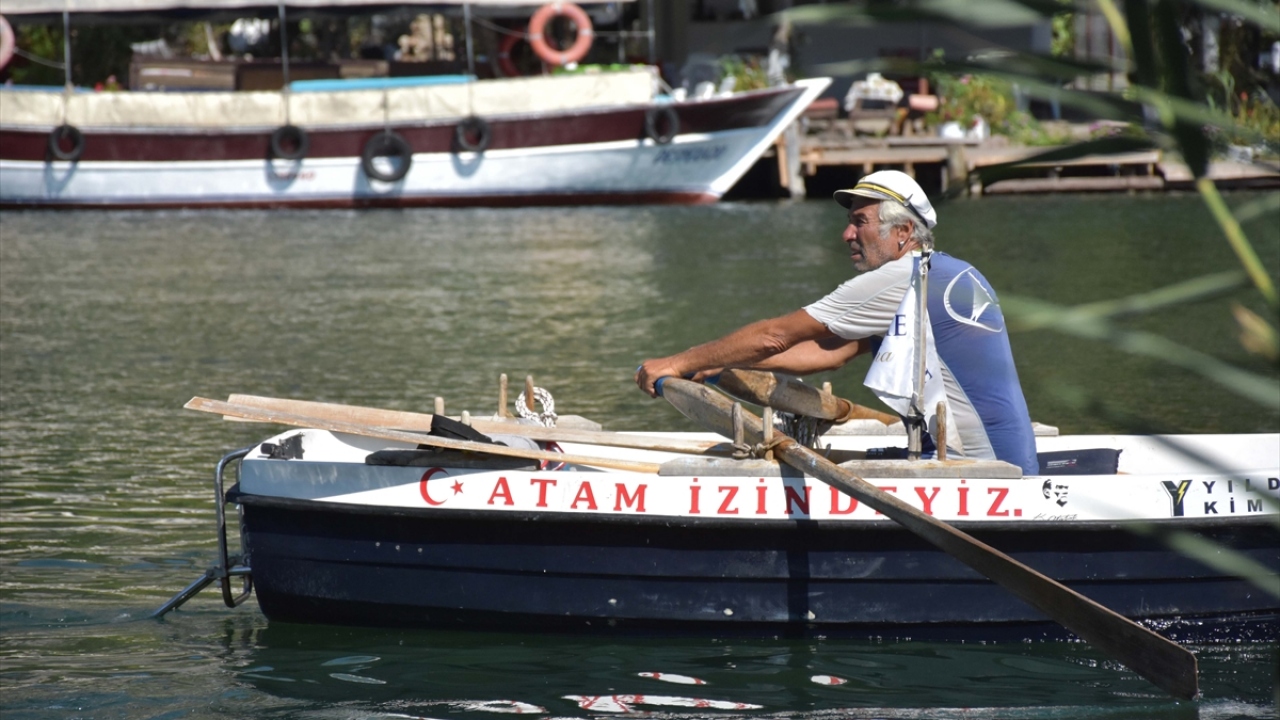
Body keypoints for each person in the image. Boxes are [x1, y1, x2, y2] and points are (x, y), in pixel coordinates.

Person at [635, 170, 1039, 475]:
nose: (846, 234)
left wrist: (679, 362)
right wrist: (725, 365)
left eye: (859, 221)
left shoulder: (902, 279)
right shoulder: (949, 270)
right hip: (1007, 458)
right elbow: (828, 353)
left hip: (983, 471)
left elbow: (776, 335)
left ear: (902, 232)